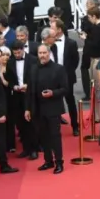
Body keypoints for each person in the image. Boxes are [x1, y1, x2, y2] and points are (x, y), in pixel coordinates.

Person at [29, 43, 69, 174]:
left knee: (54, 136)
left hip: (53, 108)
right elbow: (30, 91)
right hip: (39, 108)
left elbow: (65, 89)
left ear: (49, 53)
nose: (42, 56)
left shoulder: (59, 69)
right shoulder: (33, 69)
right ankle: (48, 161)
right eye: (40, 53)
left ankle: (59, 162)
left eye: (44, 53)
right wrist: (28, 109)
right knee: (43, 136)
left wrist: (53, 93)